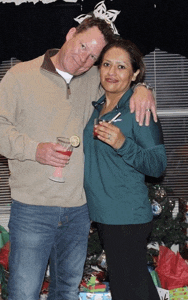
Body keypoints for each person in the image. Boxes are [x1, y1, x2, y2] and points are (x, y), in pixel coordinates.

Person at [0, 17, 156, 300]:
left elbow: (122, 87)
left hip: (79, 209)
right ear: (71, 33)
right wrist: (33, 149)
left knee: (67, 291)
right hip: (32, 208)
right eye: (83, 45)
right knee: (24, 293)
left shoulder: (93, 82)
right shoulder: (21, 75)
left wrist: (144, 89)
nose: (84, 58)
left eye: (94, 56)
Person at [84, 37, 167, 300]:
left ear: (135, 74)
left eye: (121, 67)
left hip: (127, 215)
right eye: (107, 64)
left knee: (133, 288)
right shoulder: (98, 106)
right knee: (124, 287)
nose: (111, 72)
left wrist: (122, 143)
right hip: (105, 214)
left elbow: (157, 165)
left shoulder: (137, 108)